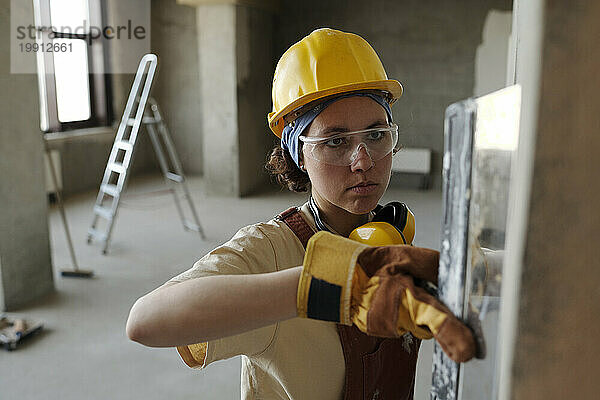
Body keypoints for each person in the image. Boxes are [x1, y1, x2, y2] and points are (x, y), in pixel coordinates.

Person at [126, 28, 476, 400]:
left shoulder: (389, 237)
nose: (363, 161)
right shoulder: (270, 251)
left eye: (376, 134)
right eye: (335, 141)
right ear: (299, 155)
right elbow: (145, 321)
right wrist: (324, 284)